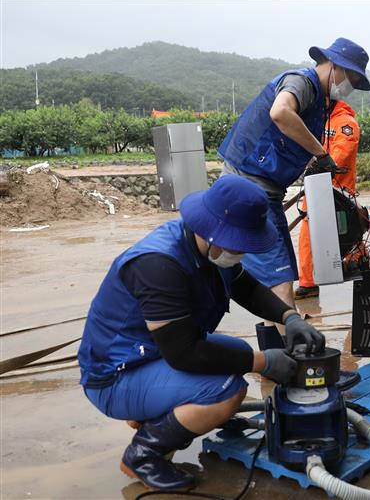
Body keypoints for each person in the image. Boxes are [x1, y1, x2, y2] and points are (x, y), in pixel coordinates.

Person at [78, 175, 325, 491]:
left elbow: (244, 287)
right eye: (239, 243)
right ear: (211, 230)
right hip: (114, 377)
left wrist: (290, 317)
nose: (242, 252)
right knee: (228, 389)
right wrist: (263, 361)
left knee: (233, 353)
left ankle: (163, 415)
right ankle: (143, 454)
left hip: (152, 354)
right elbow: (185, 353)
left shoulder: (209, 247)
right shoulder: (158, 264)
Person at [217, 37, 370, 334]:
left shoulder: (322, 104)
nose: (349, 87)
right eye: (350, 79)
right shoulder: (303, 82)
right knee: (280, 284)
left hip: (264, 191)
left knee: (274, 274)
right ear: (336, 67)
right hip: (249, 188)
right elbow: (280, 112)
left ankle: (275, 362)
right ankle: (291, 363)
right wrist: (320, 153)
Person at [295, 99, 361, 299]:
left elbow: (344, 151)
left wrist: (323, 167)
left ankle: (358, 267)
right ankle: (307, 283)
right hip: (316, 186)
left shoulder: (346, 122)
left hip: (339, 189)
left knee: (351, 231)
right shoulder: (317, 120)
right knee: (308, 233)